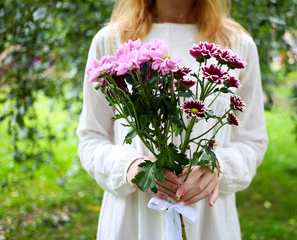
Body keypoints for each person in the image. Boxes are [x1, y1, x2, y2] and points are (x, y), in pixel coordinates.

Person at [76, 0, 268, 239]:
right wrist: (130, 168)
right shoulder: (111, 40)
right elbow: (91, 139)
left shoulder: (236, 43)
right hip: (133, 218)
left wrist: (217, 167)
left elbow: (252, 141)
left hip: (207, 218)